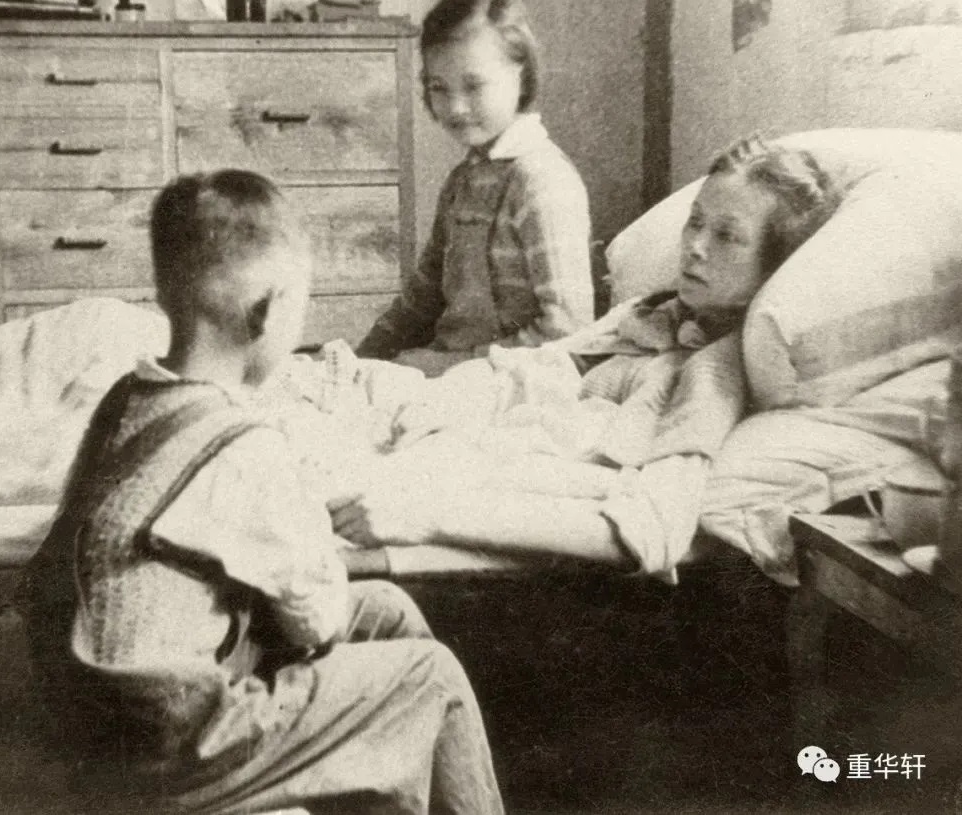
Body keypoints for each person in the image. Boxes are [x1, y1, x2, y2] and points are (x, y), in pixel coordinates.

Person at [18, 170, 504, 815]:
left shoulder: (128, 398)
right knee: (428, 675)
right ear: (266, 313)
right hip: (170, 742)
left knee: (385, 611)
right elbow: (316, 621)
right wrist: (309, 546)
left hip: (95, 708)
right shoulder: (245, 445)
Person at [333, 136, 842, 583]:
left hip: (472, 491)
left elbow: (654, 525)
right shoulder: (649, 315)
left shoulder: (710, 371)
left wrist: (430, 515)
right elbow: (544, 364)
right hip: (436, 437)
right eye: (695, 223)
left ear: (773, 266)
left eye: (727, 236)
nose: (695, 247)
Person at [356, 0, 594, 378]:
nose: (455, 107)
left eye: (474, 85)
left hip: (517, 381)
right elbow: (421, 301)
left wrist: (450, 365)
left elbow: (569, 334)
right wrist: (363, 360)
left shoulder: (542, 181)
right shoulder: (462, 182)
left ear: (521, 74)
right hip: (454, 373)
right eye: (439, 87)